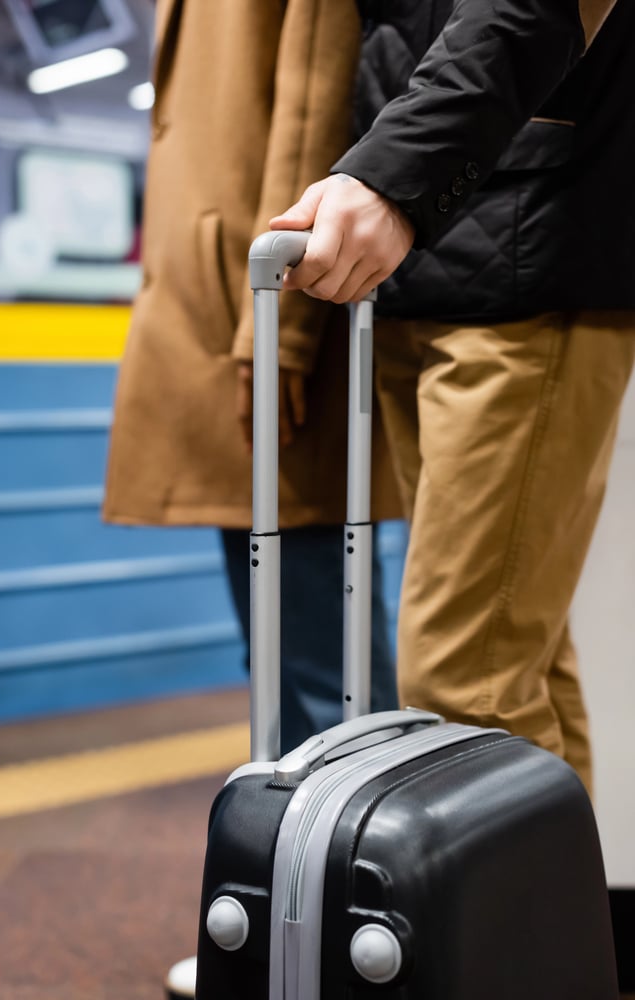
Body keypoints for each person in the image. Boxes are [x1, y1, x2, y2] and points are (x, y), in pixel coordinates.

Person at [103, 5, 402, 995]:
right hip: (222, 308)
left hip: (265, 308)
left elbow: (315, 114)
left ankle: (347, 932)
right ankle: (304, 922)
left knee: (317, 661)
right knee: (286, 647)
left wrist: (276, 334)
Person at [270, 0, 635, 799]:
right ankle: (566, 926)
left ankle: (499, 928)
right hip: (424, 259)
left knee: (461, 687)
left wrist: (394, 174)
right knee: (514, 660)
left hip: (526, 241)